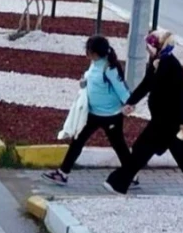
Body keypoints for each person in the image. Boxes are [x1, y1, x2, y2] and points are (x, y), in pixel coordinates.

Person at [105, 31, 183, 195]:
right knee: (181, 153)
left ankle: (118, 183)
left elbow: (181, 95)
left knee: (141, 150)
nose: (147, 49)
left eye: (149, 46)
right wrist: (131, 102)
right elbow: (146, 85)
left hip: (167, 122)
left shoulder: (172, 66)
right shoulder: (157, 62)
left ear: (159, 46)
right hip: (163, 120)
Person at [43, 36, 137, 186]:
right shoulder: (94, 64)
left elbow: (121, 89)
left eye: (88, 50)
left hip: (111, 116)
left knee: (119, 145)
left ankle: (131, 176)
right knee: (77, 141)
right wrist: (83, 84)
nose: (86, 52)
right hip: (92, 114)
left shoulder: (110, 68)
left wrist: (130, 104)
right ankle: (63, 173)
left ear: (95, 53)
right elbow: (92, 81)